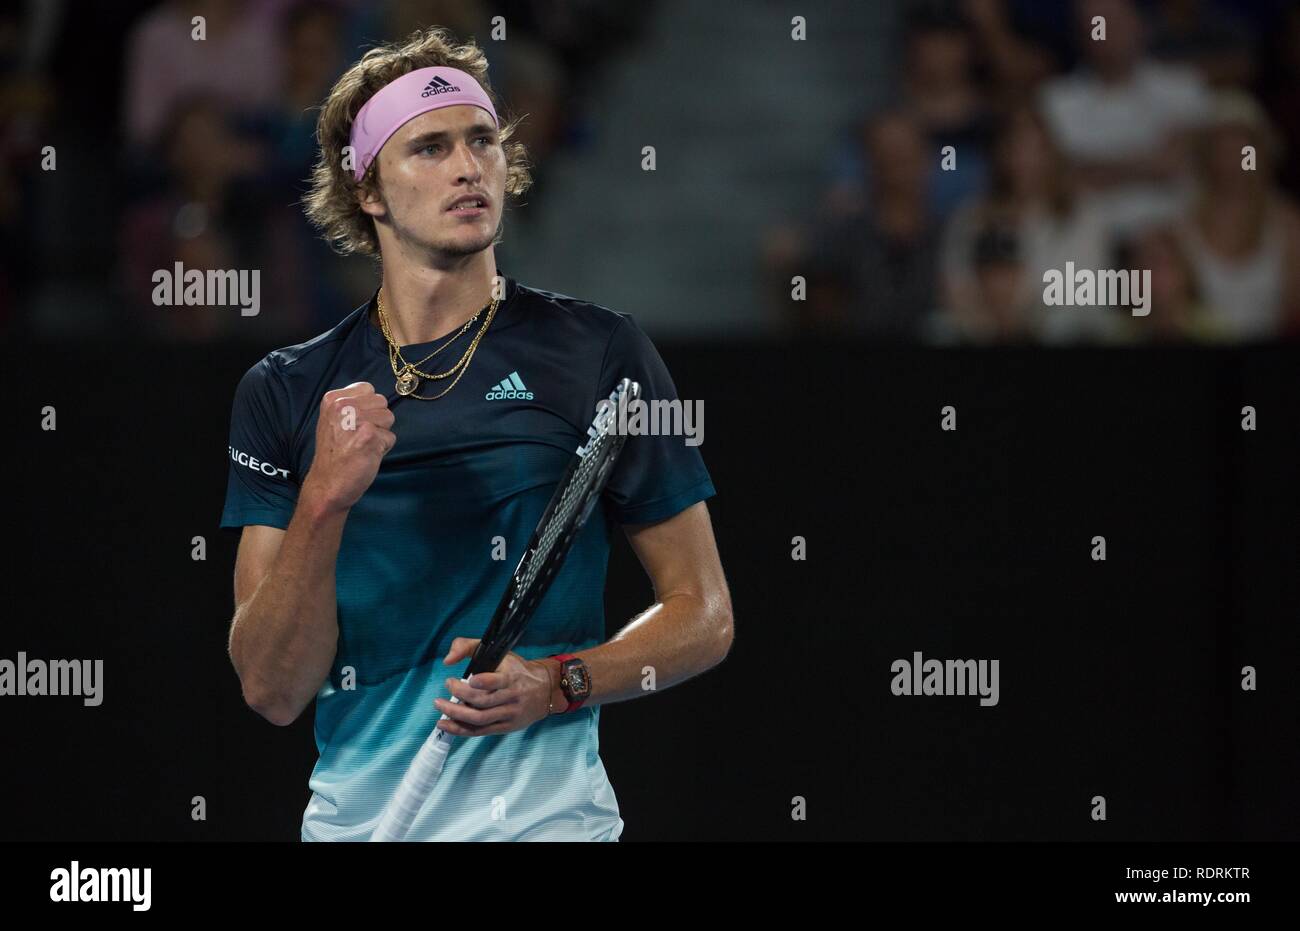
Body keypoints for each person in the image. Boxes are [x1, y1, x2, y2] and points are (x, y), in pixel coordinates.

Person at [220, 26, 733, 841]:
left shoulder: (599, 352)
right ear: (368, 190)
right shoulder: (284, 391)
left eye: (483, 140)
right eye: (428, 148)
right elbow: (272, 689)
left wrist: (559, 682)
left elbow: (704, 613)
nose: (467, 166)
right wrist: (323, 497)